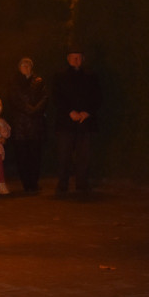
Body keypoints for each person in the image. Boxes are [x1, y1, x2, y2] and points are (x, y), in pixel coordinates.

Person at [52, 48, 102, 194]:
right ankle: (63, 184)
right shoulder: (60, 76)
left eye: (79, 57)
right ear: (68, 59)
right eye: (73, 57)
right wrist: (69, 112)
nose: (76, 60)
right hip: (66, 122)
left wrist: (88, 112)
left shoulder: (91, 76)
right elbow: (56, 97)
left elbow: (97, 97)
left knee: (84, 155)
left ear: (83, 59)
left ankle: (82, 183)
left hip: (85, 122)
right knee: (64, 155)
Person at [6, 57, 47, 193]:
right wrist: (27, 109)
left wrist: (35, 110)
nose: (26, 67)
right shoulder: (14, 82)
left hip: (35, 124)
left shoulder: (39, 81)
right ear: (19, 67)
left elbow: (44, 98)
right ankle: (26, 183)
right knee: (22, 156)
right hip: (20, 125)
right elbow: (13, 99)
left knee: (35, 156)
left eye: (29, 65)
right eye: (24, 65)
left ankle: (34, 183)